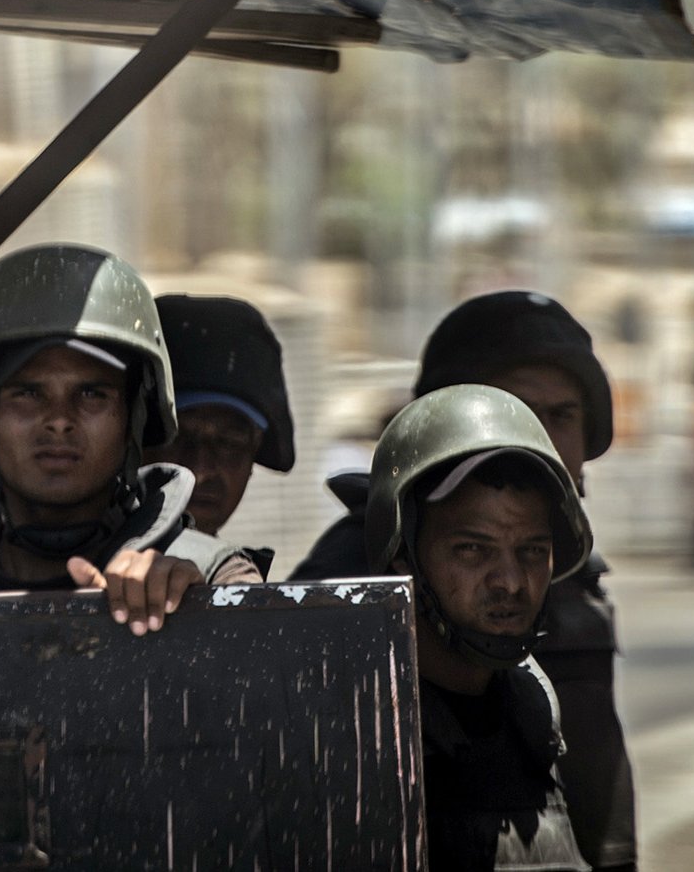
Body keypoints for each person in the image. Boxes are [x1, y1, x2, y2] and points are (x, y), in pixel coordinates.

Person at [292, 291, 637, 871]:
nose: (509, 579)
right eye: (473, 549)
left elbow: (600, 810)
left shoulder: (549, 655)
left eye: (562, 415)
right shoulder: (353, 627)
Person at [0, 244, 261, 631]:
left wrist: (196, 609)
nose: (59, 420)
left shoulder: (209, 574)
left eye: (92, 394)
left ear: (133, 422)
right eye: (28, 393)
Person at [367, 383, 593, 871]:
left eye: (531, 550)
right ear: (404, 554)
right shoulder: (362, 728)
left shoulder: (534, 709)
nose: (511, 582)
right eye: (473, 549)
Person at [143, 294, 295, 540]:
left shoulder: (239, 574)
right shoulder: (82, 572)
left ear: (254, 454)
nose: (201, 471)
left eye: (230, 442)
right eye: (177, 436)